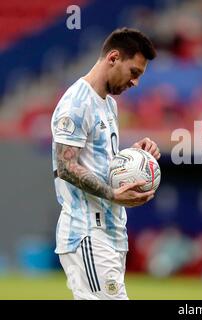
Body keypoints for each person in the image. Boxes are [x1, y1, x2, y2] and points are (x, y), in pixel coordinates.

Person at [51, 27, 160, 300]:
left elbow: (100, 162)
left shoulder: (108, 104)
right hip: (87, 229)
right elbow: (65, 166)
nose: (135, 83)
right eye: (134, 72)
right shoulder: (76, 104)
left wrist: (133, 158)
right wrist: (112, 193)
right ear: (113, 58)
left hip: (110, 230)